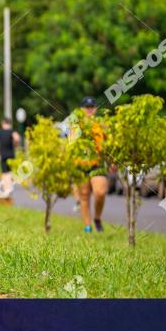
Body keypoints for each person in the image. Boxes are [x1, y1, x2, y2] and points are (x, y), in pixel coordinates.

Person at [73, 96, 107, 233]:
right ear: (81, 109)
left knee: (100, 192)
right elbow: (70, 146)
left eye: (92, 107)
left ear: (95, 109)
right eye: (86, 107)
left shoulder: (101, 125)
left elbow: (108, 144)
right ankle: (87, 225)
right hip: (81, 165)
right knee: (84, 195)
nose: (89, 110)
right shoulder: (75, 125)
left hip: (97, 164)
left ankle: (97, 218)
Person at [0, 117, 20, 201]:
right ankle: (9, 188)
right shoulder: (12, 131)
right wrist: (15, 144)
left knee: (4, 173)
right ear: (9, 124)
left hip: (3, 155)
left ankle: (6, 190)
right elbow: (17, 138)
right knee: (10, 171)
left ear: (2, 124)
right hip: (11, 154)